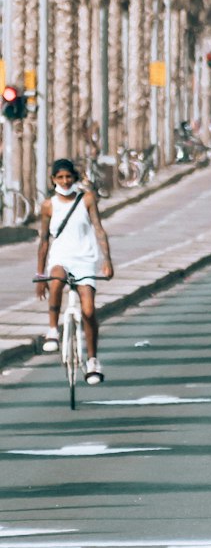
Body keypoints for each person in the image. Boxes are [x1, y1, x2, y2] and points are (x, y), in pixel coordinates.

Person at [36, 158, 115, 384]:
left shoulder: (87, 199)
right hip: (60, 257)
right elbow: (43, 242)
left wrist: (107, 260)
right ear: (53, 180)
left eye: (68, 177)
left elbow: (99, 230)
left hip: (84, 259)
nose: (64, 181)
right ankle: (53, 330)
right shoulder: (48, 205)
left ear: (74, 177)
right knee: (57, 280)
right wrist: (41, 276)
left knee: (89, 310)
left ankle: (92, 360)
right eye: (60, 177)